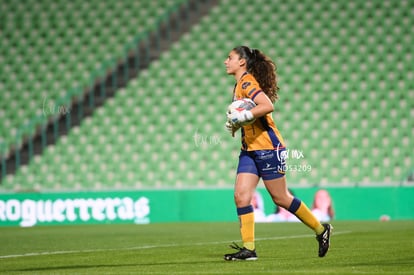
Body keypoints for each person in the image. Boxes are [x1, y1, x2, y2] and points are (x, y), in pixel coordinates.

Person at [223, 46, 332, 261]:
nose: (226, 61)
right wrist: (237, 125)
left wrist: (242, 116)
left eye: (230, 58)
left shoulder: (247, 82)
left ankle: (321, 230)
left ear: (242, 62)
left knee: (281, 197)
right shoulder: (238, 85)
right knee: (241, 197)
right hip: (249, 150)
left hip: (268, 148)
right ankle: (249, 249)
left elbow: (267, 105)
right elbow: (251, 116)